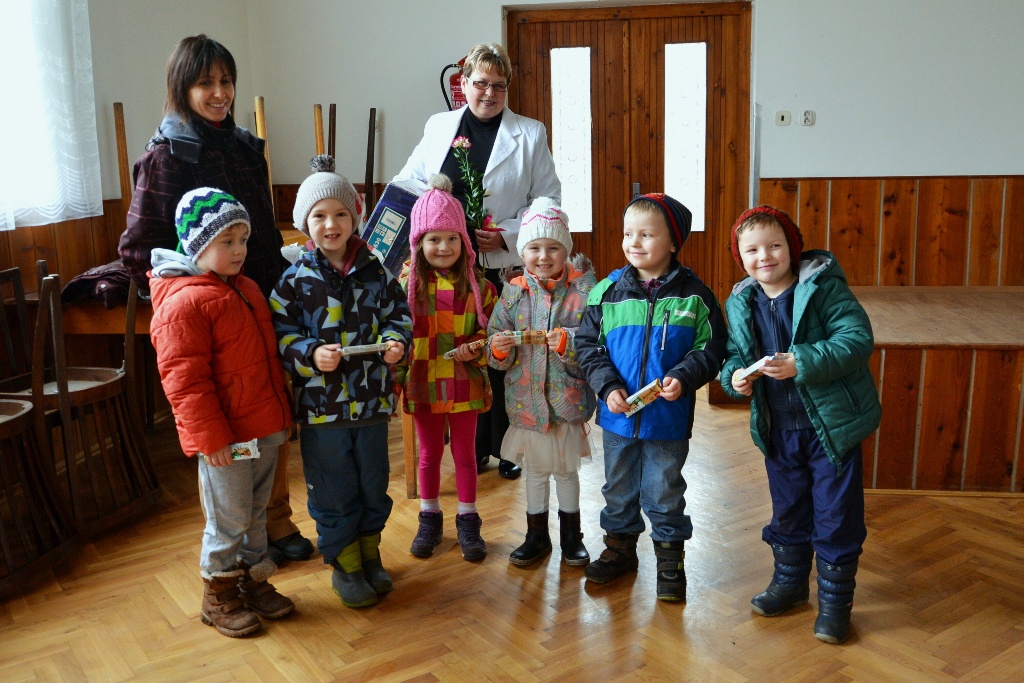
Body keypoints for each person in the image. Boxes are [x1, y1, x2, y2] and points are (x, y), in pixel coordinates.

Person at [118, 34, 312, 565]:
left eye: (226, 81)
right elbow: (138, 250)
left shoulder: (246, 148)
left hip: (258, 304)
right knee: (230, 432)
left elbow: (262, 234)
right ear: (182, 88)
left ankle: (275, 520)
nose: (220, 93)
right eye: (206, 83)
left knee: (268, 416)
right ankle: (235, 548)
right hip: (209, 316)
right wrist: (190, 294)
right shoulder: (165, 156)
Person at [394, 42, 562, 481]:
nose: (489, 93)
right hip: (445, 265)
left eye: (499, 86)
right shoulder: (439, 126)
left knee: (503, 352)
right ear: (463, 83)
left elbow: (547, 198)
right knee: (460, 351)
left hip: (499, 264)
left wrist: (508, 235)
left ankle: (507, 448)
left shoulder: (530, 133)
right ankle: (472, 448)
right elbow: (408, 182)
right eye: (481, 83)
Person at [720, 205, 880, 644]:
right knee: (788, 511)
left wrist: (801, 362)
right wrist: (734, 378)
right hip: (778, 429)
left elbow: (856, 339)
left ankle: (835, 606)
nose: (764, 256)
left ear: (792, 248)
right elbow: (733, 355)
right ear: (740, 257)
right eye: (752, 250)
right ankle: (790, 586)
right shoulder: (741, 301)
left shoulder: (823, 288)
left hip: (831, 428)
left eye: (774, 245)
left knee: (836, 517)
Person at [148, 188, 295, 638]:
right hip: (225, 440)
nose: (238, 250)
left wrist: (281, 418)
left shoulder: (245, 288)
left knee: (255, 512)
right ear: (197, 245)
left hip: (261, 428)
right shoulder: (183, 303)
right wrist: (210, 439)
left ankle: (252, 581)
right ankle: (219, 594)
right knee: (228, 519)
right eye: (226, 241)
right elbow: (185, 382)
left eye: (243, 240)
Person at [270, 156, 412, 609]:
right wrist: (311, 354)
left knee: (373, 484)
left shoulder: (378, 272)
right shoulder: (293, 280)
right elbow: (281, 334)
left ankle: (370, 555)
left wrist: (396, 342)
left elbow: (399, 316)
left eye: (340, 214)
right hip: (322, 410)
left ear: (354, 218)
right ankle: (346, 565)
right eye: (319, 216)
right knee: (333, 490)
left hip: (371, 405)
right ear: (305, 224)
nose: (331, 224)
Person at [575, 193, 727, 602]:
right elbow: (588, 346)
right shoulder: (606, 292)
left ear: (674, 242)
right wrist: (607, 386)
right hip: (617, 416)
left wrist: (684, 376)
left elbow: (711, 349)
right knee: (618, 487)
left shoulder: (696, 296)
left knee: (663, 490)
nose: (634, 242)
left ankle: (670, 561)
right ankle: (620, 550)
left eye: (647, 234)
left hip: (668, 420)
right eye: (628, 234)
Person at [487, 198, 596, 567]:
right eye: (534, 248)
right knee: (534, 472)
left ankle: (572, 537)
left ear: (566, 250)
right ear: (523, 252)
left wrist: (568, 343)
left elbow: (596, 343)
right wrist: (498, 349)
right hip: (525, 401)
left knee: (565, 471)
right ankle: (536, 536)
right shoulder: (512, 292)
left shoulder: (583, 293)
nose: (544, 256)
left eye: (553, 248)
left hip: (566, 400)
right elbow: (494, 341)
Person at [397, 174, 498, 562]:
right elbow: (395, 334)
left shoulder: (480, 288)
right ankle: (430, 517)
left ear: (464, 241)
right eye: (434, 239)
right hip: (423, 382)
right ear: (418, 242)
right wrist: (395, 378)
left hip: (464, 383)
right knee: (428, 454)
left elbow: (495, 334)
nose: (443, 247)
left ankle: (468, 520)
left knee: (466, 455)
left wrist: (480, 348)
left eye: (452, 238)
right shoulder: (407, 286)